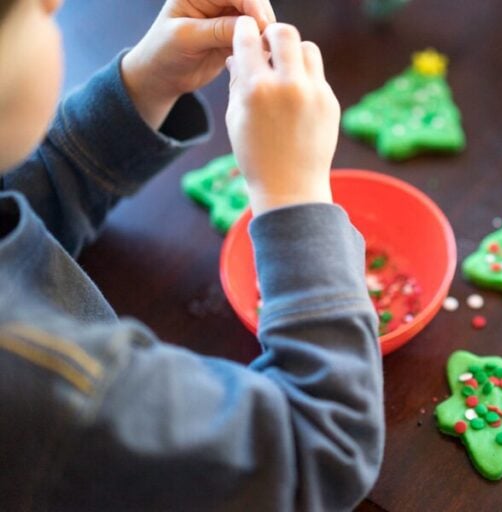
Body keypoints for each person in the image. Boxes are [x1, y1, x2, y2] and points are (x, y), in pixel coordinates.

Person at [0, 0, 384, 510]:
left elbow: (18, 201)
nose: (53, 2)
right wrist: (293, 193)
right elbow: (320, 450)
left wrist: (144, 85)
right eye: (29, 10)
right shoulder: (56, 386)